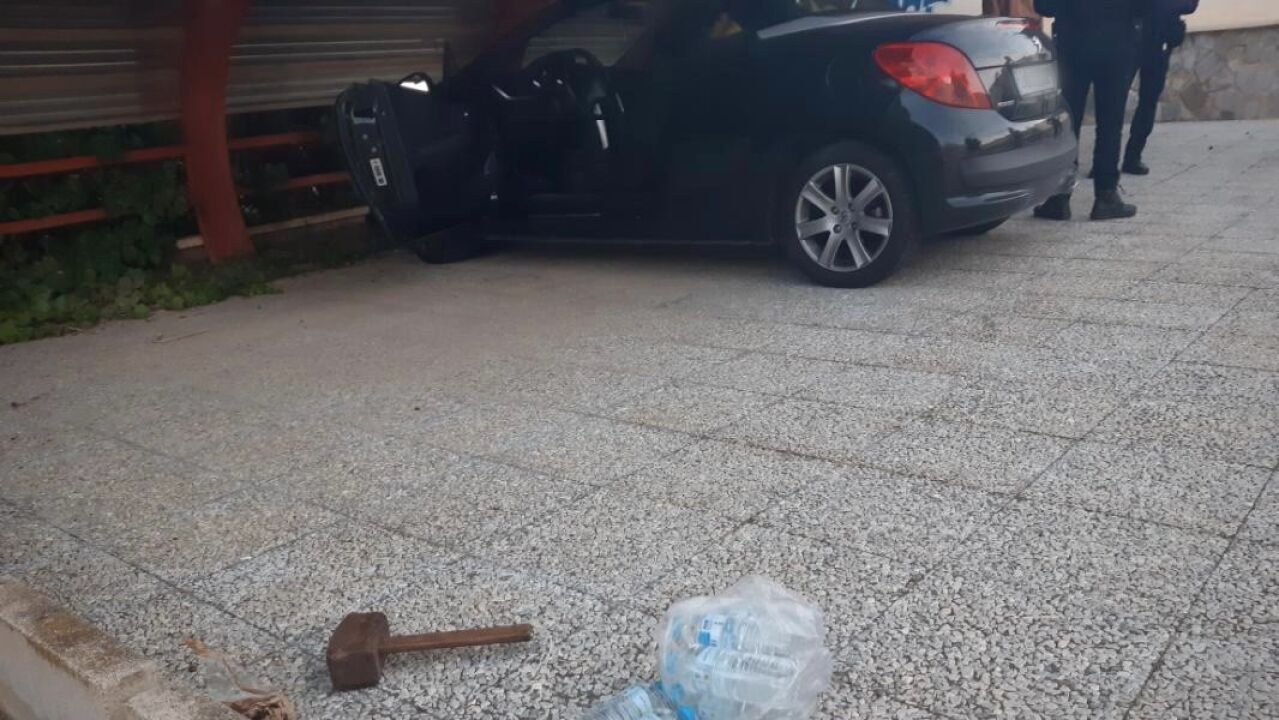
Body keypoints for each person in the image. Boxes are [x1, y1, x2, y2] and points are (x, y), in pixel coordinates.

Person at [1033, 0, 1149, 221]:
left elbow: (1044, 6)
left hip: (1073, 44)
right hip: (1116, 42)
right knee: (1110, 124)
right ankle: (1106, 195)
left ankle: (1059, 197)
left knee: (1067, 123)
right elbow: (1144, 7)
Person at [1123, 0, 1198, 175]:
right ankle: (1104, 161)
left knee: (1148, 101)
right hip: (1131, 37)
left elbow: (1190, 5)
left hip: (1159, 41)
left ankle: (1133, 156)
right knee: (1114, 99)